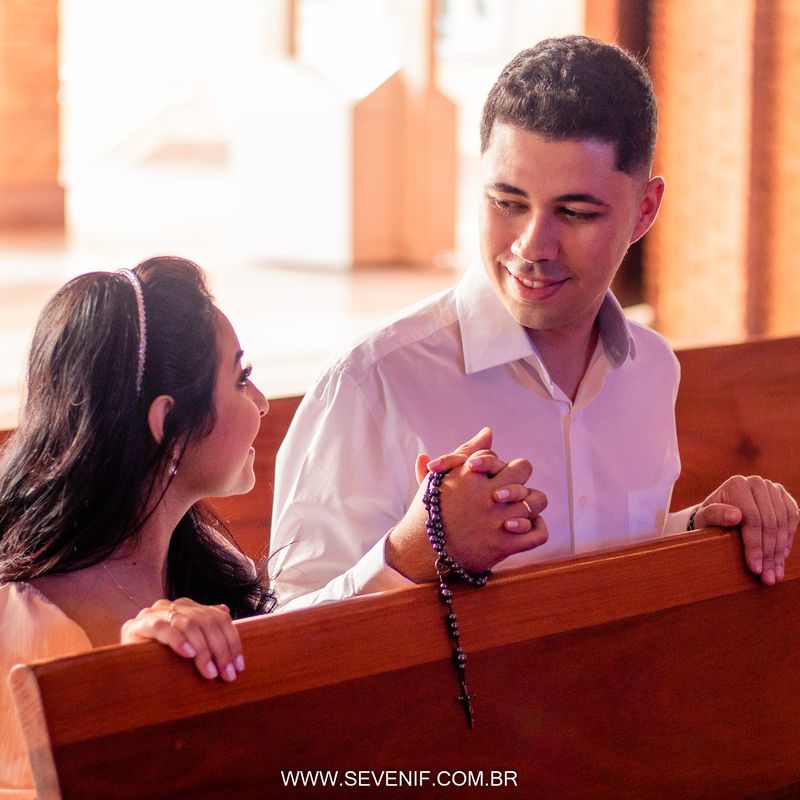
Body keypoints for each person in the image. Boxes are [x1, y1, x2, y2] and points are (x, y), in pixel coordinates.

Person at [270, 34, 799, 610]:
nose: (532, 246)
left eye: (575, 212)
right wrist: (409, 556)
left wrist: (702, 527)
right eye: (507, 202)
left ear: (644, 210)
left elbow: (596, 556)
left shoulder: (652, 369)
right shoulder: (372, 383)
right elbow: (283, 630)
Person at [0, 256, 529, 796]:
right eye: (241, 378)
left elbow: (293, 670)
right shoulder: (22, 624)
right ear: (167, 425)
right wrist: (135, 685)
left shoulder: (203, 561)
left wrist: (424, 536)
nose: (259, 402)